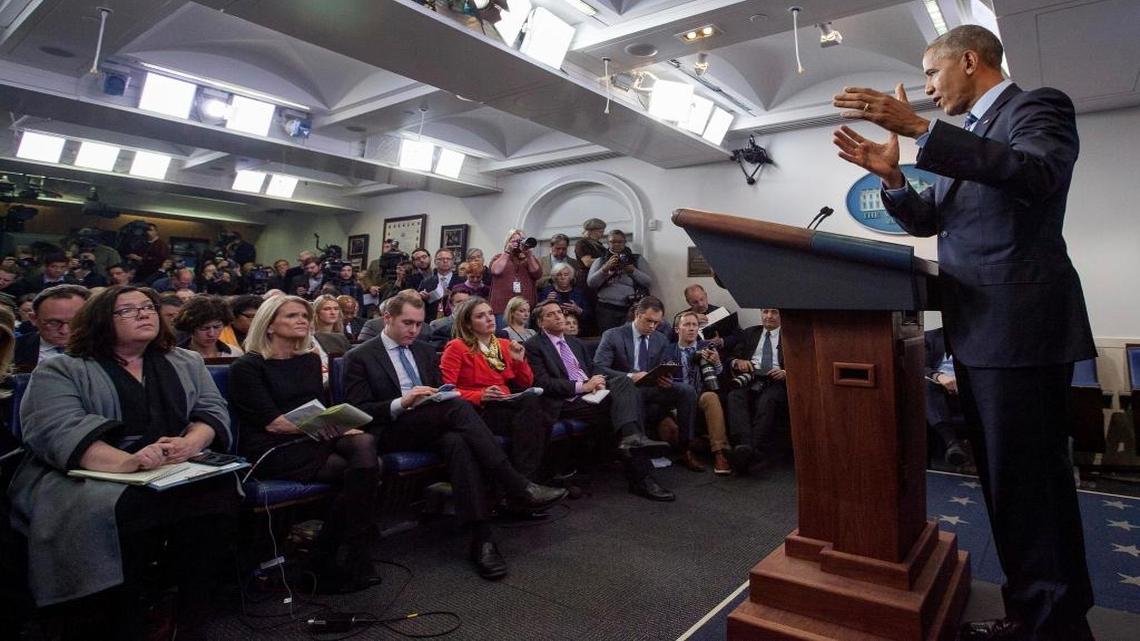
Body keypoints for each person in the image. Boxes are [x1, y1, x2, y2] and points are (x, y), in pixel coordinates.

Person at [831, 25, 1094, 641]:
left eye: (930, 74)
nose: (925, 89)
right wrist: (892, 180)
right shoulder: (964, 140)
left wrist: (922, 131)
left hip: (1021, 332)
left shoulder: (1036, 107)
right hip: (980, 330)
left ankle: (1050, 623)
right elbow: (935, 220)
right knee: (1012, 485)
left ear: (968, 61)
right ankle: (1042, 612)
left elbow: (1036, 175)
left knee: (1030, 486)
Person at [8, 285, 239, 637]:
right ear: (101, 320)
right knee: (126, 509)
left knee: (219, 493)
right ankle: (122, 616)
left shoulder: (186, 360)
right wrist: (129, 462)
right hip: (88, 472)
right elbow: (56, 430)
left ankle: (188, 613)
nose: (144, 314)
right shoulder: (62, 369)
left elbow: (211, 411)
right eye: (128, 310)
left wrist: (190, 442)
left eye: (148, 307)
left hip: (173, 466)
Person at [342, 292, 565, 580]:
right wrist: (403, 402)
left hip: (432, 422)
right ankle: (516, 484)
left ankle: (481, 538)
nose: (414, 330)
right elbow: (359, 412)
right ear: (387, 318)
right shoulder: (359, 356)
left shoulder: (422, 350)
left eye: (419, 324)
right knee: (458, 408)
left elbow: (442, 390)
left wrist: (433, 397)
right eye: (407, 323)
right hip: (393, 428)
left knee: (458, 441)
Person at [230, 295, 382, 592]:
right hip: (273, 446)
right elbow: (274, 423)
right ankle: (343, 553)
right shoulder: (248, 366)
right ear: (269, 325)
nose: (302, 320)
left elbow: (315, 409)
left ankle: (329, 554)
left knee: (365, 448)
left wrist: (337, 425)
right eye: (292, 316)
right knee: (364, 468)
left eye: (304, 315)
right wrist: (335, 428)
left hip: (312, 436)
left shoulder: (310, 360)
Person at [525, 300, 675, 501]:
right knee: (627, 407)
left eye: (559, 312)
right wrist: (583, 386)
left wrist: (600, 382)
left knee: (624, 383)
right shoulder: (534, 345)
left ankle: (631, 440)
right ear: (541, 323)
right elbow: (543, 383)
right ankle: (641, 475)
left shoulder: (575, 342)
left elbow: (594, 368)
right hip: (566, 400)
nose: (559, 316)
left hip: (591, 394)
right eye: (551, 314)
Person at [440, 296, 551, 481]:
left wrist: (519, 362)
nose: (490, 318)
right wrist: (480, 395)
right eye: (480, 316)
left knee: (536, 406)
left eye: (490, 313)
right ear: (468, 324)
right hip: (477, 411)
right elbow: (446, 391)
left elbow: (526, 383)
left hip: (506, 405)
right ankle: (526, 481)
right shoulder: (457, 347)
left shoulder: (505, 344)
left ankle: (524, 480)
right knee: (536, 417)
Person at [593, 297, 701, 471]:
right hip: (624, 389)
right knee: (635, 394)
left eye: (656, 323)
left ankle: (685, 449)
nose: (652, 326)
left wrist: (665, 378)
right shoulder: (614, 335)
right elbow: (598, 368)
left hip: (651, 387)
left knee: (687, 391)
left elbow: (661, 367)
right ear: (637, 314)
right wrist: (630, 376)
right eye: (648, 321)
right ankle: (639, 454)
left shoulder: (660, 339)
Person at [725, 309, 788, 476]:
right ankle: (745, 446)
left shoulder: (789, 335)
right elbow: (730, 357)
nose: (768, 316)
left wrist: (786, 372)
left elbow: (803, 361)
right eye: (765, 311)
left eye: (774, 312)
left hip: (776, 381)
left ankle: (748, 451)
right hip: (751, 377)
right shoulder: (750, 333)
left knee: (767, 400)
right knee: (734, 395)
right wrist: (738, 362)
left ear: (782, 315)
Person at [667, 311, 731, 474]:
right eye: (686, 325)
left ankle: (719, 453)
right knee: (667, 431)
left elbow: (719, 378)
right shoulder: (668, 350)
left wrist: (717, 363)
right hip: (676, 398)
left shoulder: (706, 347)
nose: (691, 329)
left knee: (711, 397)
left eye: (694, 325)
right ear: (677, 329)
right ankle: (690, 449)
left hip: (701, 394)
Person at [587, 230, 652, 333]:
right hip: (606, 309)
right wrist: (605, 268)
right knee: (608, 338)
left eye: (620, 241)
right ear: (608, 243)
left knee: (630, 338)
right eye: (613, 242)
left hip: (631, 308)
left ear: (625, 242)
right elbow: (591, 283)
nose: (616, 244)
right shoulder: (600, 260)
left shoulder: (636, 259)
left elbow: (648, 282)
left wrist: (633, 271)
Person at [13, 285, 91, 371]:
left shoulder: (102, 350)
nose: (64, 331)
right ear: (34, 319)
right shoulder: (11, 349)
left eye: (75, 322)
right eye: (54, 322)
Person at [488, 229, 541, 315]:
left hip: (524, 309)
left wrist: (528, 255)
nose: (520, 243)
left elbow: (537, 274)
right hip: (502, 309)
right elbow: (496, 271)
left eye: (522, 240)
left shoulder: (529, 259)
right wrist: (507, 251)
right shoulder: (498, 257)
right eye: (516, 241)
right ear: (508, 242)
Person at [173, 295, 244, 359]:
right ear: (191, 328)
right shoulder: (175, 356)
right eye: (204, 328)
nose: (211, 334)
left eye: (216, 327)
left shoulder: (235, 353)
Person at [680, 284, 740, 351]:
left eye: (702, 299)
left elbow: (738, 335)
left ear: (706, 295)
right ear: (688, 302)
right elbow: (677, 345)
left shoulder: (722, 312)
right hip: (695, 356)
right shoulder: (682, 318)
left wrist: (721, 341)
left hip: (722, 355)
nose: (701, 304)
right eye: (695, 302)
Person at [538, 263, 590, 332]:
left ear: (570, 277)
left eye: (566, 275)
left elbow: (589, 315)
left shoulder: (579, 292)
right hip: (553, 328)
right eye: (559, 275)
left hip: (577, 329)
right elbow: (537, 313)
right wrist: (547, 301)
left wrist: (577, 309)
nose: (563, 277)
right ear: (555, 277)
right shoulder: (547, 291)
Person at [416, 248, 457, 320]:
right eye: (441, 259)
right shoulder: (426, 282)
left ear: (453, 261)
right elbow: (417, 305)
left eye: (448, 259)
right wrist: (422, 298)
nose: (445, 261)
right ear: (435, 262)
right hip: (431, 322)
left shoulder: (462, 281)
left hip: (455, 321)